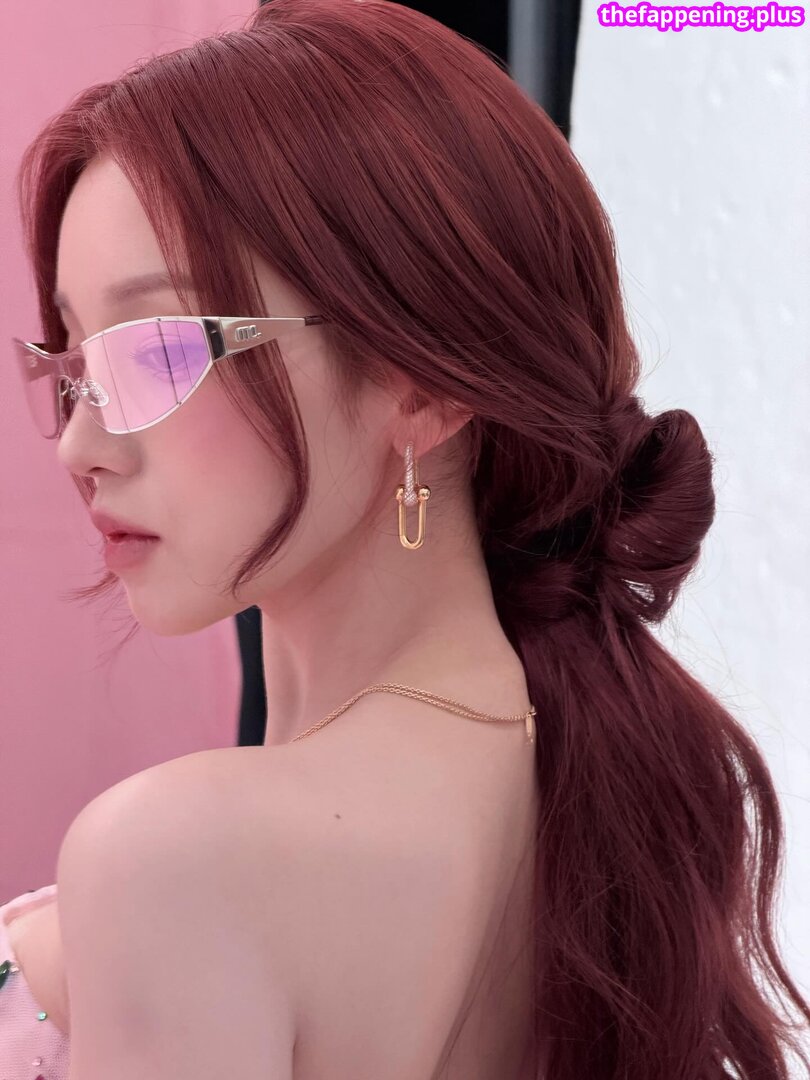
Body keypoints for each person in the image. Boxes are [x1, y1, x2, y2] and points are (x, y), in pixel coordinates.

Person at [4, 1, 808, 1077]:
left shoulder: (181, 861)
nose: (81, 445)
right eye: (72, 361)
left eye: (158, 351)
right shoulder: (591, 775)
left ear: (420, 387)